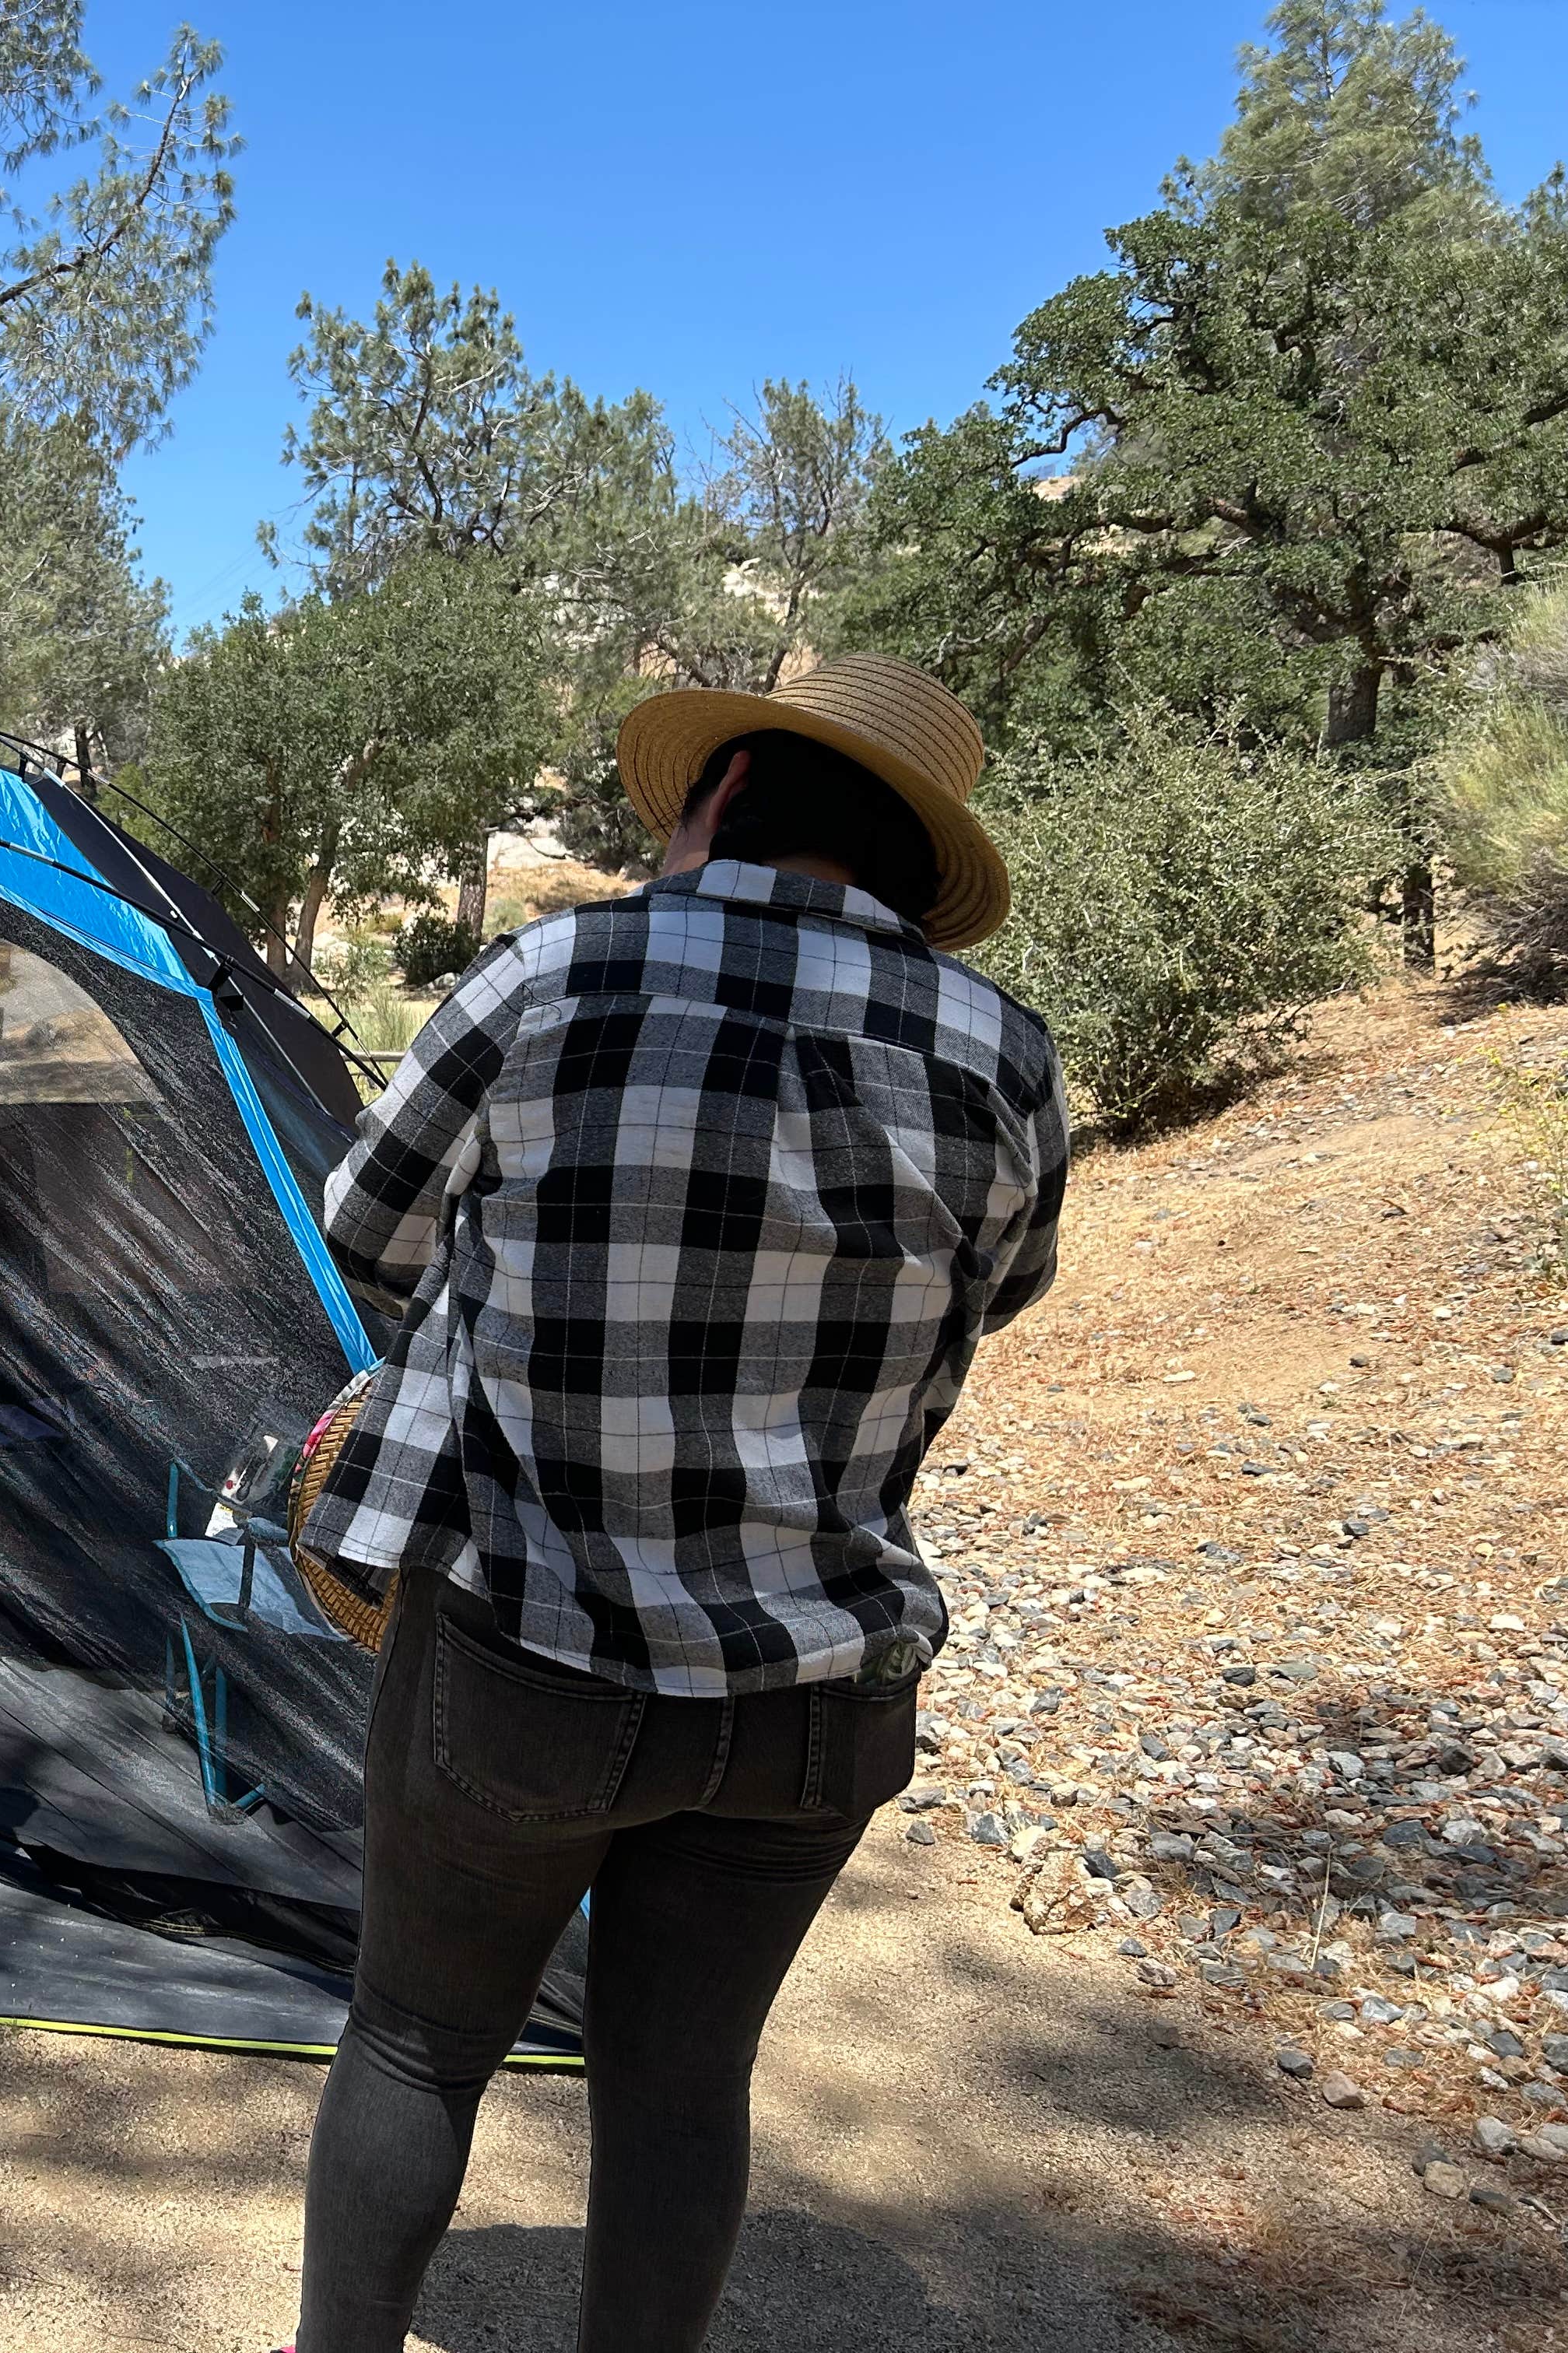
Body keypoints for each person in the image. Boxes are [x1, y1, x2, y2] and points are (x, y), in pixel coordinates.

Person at [282, 653, 1069, 2353]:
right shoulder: (1004, 1052)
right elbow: (1000, 1294)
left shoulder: (553, 971)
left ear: (721, 796)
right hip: (817, 1691)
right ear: (916, 866)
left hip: (528, 1652)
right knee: (684, 2075)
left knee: (417, 2038)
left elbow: (365, 1229)